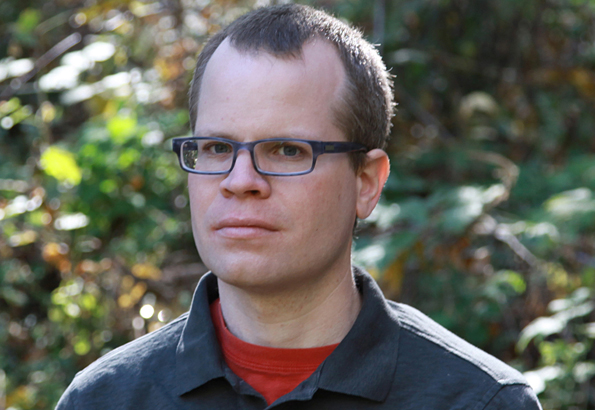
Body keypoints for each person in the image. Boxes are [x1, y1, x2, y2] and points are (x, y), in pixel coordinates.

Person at [56, 4, 542, 409]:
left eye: (287, 150)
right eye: (218, 149)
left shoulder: (477, 402)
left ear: (366, 183)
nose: (240, 182)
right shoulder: (105, 398)